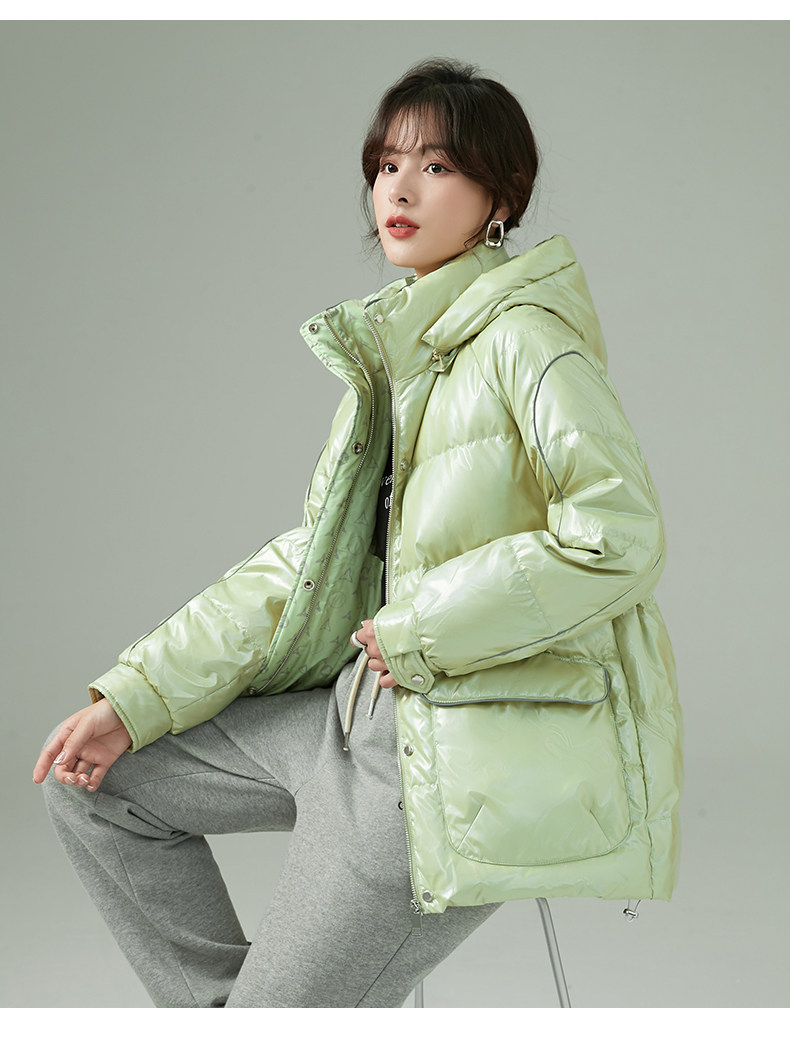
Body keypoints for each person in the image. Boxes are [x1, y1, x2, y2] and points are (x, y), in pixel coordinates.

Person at [33, 58, 683, 1008]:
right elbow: (310, 563)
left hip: (451, 758)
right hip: (350, 722)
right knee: (91, 783)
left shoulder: (526, 340)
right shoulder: (401, 359)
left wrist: (421, 628)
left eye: (437, 166)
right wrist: (134, 699)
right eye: (386, 165)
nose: (399, 190)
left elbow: (618, 536)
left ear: (502, 198)